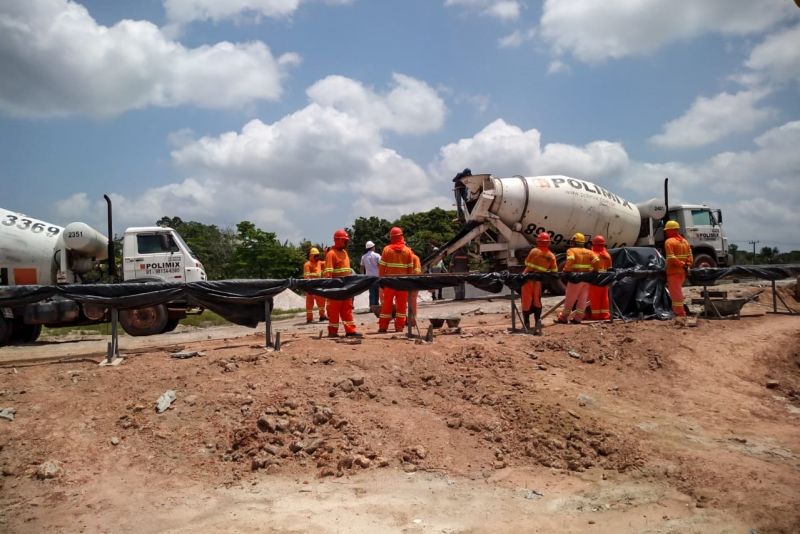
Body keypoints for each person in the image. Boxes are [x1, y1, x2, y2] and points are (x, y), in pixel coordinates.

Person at [324, 229, 361, 337]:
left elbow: (347, 271)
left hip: (346, 288)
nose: (346, 242)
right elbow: (328, 274)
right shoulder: (331, 254)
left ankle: (350, 331)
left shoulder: (345, 253)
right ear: (338, 240)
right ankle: (333, 332)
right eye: (344, 240)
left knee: (347, 310)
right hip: (336, 289)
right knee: (334, 311)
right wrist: (329, 290)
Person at [555, 232, 600, 324]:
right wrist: (594, 270)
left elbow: (570, 260)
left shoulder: (571, 250)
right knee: (583, 299)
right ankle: (578, 318)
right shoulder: (589, 252)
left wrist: (566, 270)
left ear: (574, 242)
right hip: (586, 279)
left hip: (575, 279)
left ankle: (563, 318)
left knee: (570, 300)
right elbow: (597, 260)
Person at [378, 227, 414, 332]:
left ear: (391, 237)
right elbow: (410, 270)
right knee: (402, 306)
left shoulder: (386, 250)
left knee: (386, 305)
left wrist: (381, 281)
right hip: (402, 282)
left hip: (389, 282)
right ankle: (399, 327)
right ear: (401, 236)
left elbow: (382, 268)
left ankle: (383, 327)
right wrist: (409, 282)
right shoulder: (408, 251)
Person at [521, 233, 558, 335]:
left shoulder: (534, 251)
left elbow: (527, 263)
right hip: (538, 281)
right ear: (548, 243)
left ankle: (526, 322)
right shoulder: (551, 255)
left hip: (527, 279)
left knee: (526, 300)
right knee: (537, 300)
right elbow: (554, 270)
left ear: (538, 241)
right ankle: (538, 320)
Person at [664, 220, 693, 324]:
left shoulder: (669, 242)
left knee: (676, 294)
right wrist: (687, 265)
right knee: (677, 292)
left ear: (672, 230)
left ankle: (680, 314)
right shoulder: (685, 241)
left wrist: (682, 264)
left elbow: (671, 258)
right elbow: (690, 255)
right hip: (682, 272)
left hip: (673, 272)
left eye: (667, 230)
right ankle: (678, 312)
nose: (666, 232)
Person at [587, 235, 612, 321]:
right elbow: (610, 268)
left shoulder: (591, 254)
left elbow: (588, 267)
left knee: (595, 298)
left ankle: (596, 316)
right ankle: (604, 315)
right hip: (604, 280)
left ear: (593, 244)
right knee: (604, 298)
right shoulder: (607, 255)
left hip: (594, 280)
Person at [303, 247, 327, 323]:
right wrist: (309, 288)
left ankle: (322, 316)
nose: (317, 257)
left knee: (321, 302)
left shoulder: (319, 263)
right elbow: (306, 277)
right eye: (315, 255)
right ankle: (309, 319)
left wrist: (327, 253)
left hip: (319, 286)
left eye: (318, 255)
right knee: (309, 304)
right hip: (310, 286)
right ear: (311, 256)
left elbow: (328, 262)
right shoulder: (307, 264)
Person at [360, 241, 381, 308]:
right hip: (377, 276)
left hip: (368, 277)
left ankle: (372, 306)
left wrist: (363, 276)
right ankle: (376, 305)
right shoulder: (377, 255)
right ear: (372, 247)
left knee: (371, 292)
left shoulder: (363, 257)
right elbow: (380, 266)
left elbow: (361, 268)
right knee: (377, 291)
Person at [409, 251, 422, 326]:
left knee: (402, 301)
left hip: (403, 281)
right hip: (414, 282)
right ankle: (413, 320)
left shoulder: (404, 256)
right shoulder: (415, 257)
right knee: (413, 301)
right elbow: (417, 271)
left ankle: (405, 320)